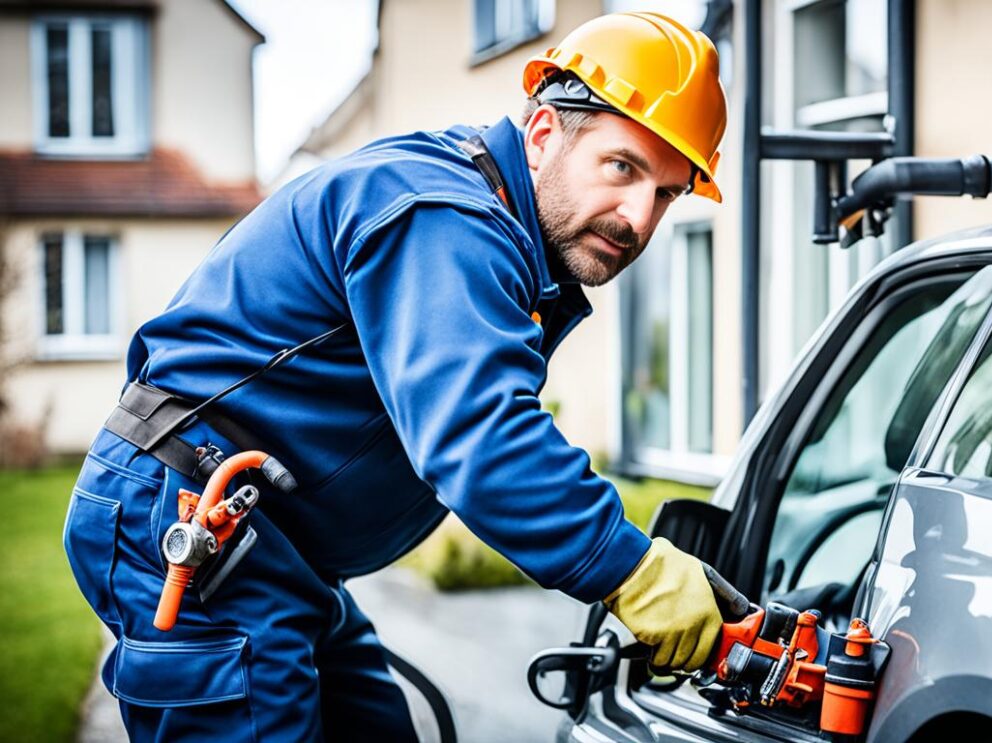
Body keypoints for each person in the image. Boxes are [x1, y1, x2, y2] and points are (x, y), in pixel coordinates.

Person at [62, 12, 728, 740]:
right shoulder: (444, 216)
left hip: (280, 550)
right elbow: (483, 436)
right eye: (623, 167)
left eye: (667, 192)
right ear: (542, 137)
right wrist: (633, 571)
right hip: (195, 514)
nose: (638, 215)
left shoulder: (498, 229)